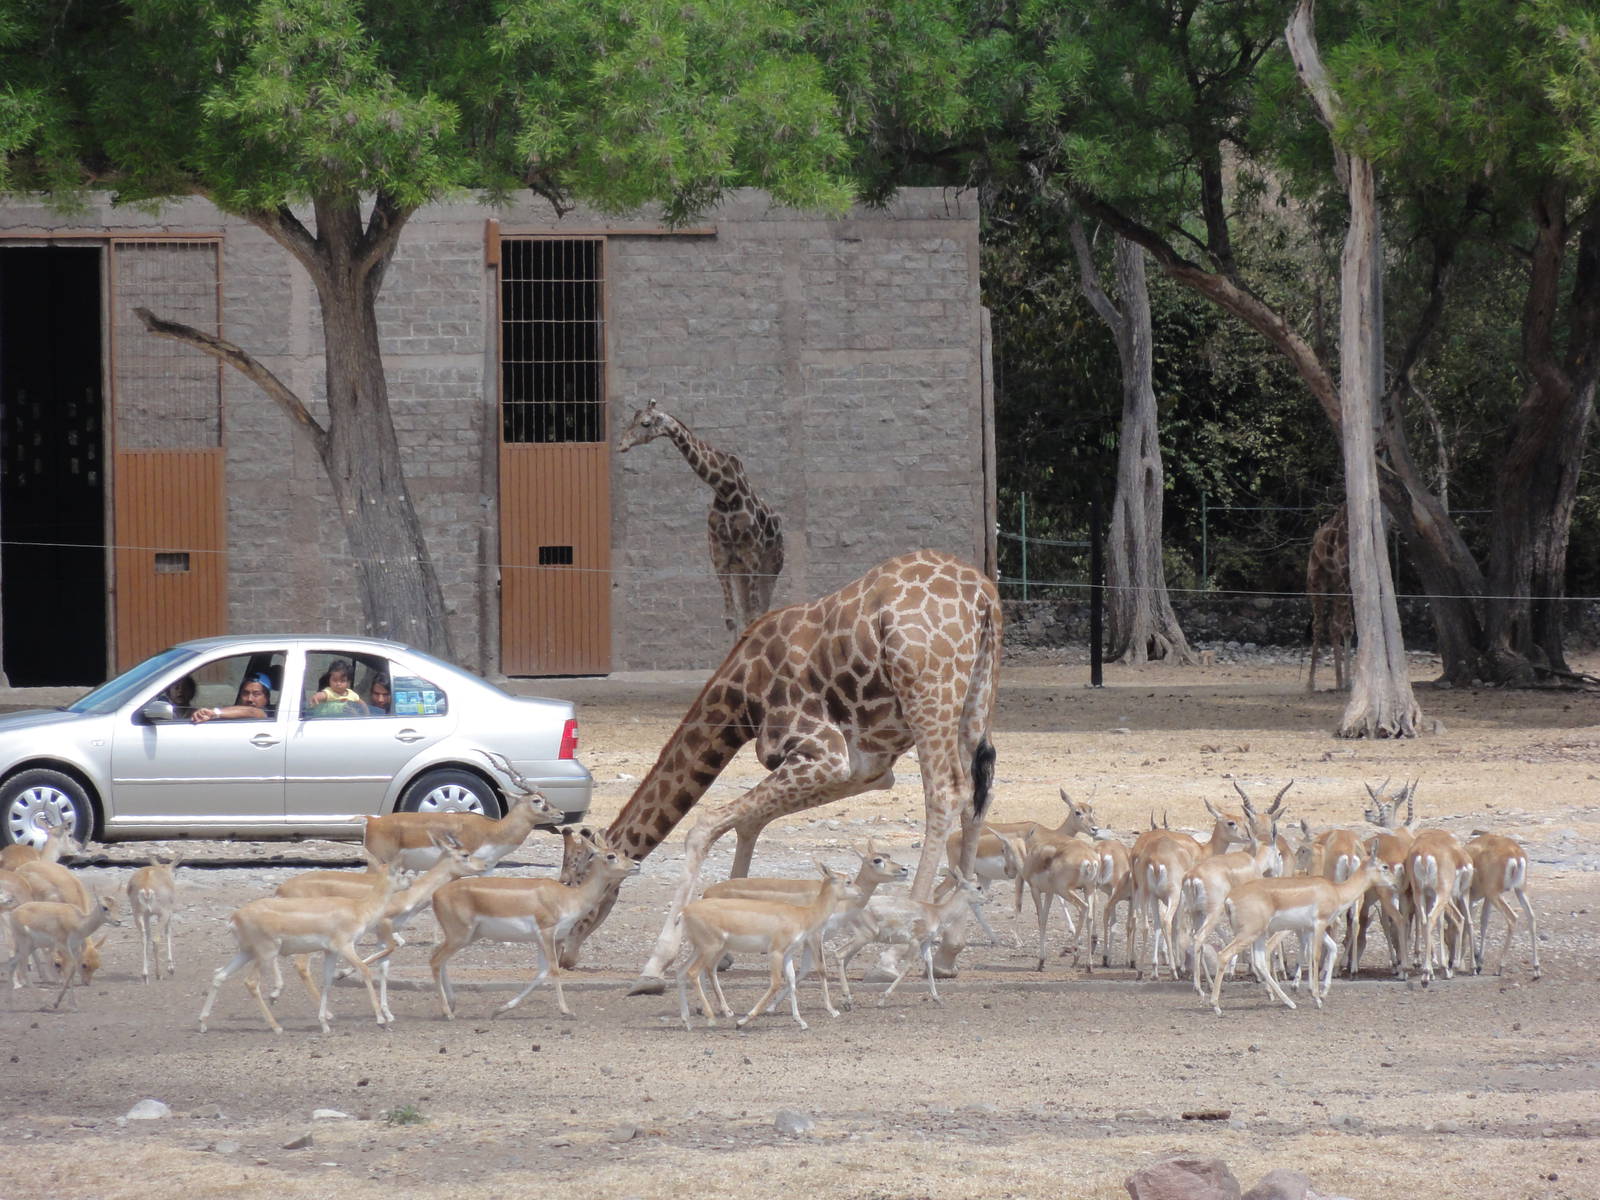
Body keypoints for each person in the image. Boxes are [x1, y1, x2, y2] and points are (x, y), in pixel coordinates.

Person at [191, 673, 274, 723]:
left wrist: (213, 713)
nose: (250, 699)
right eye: (245, 693)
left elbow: (251, 712)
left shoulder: (268, 713)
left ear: (267, 697)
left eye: (256, 694)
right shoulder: (235, 712)